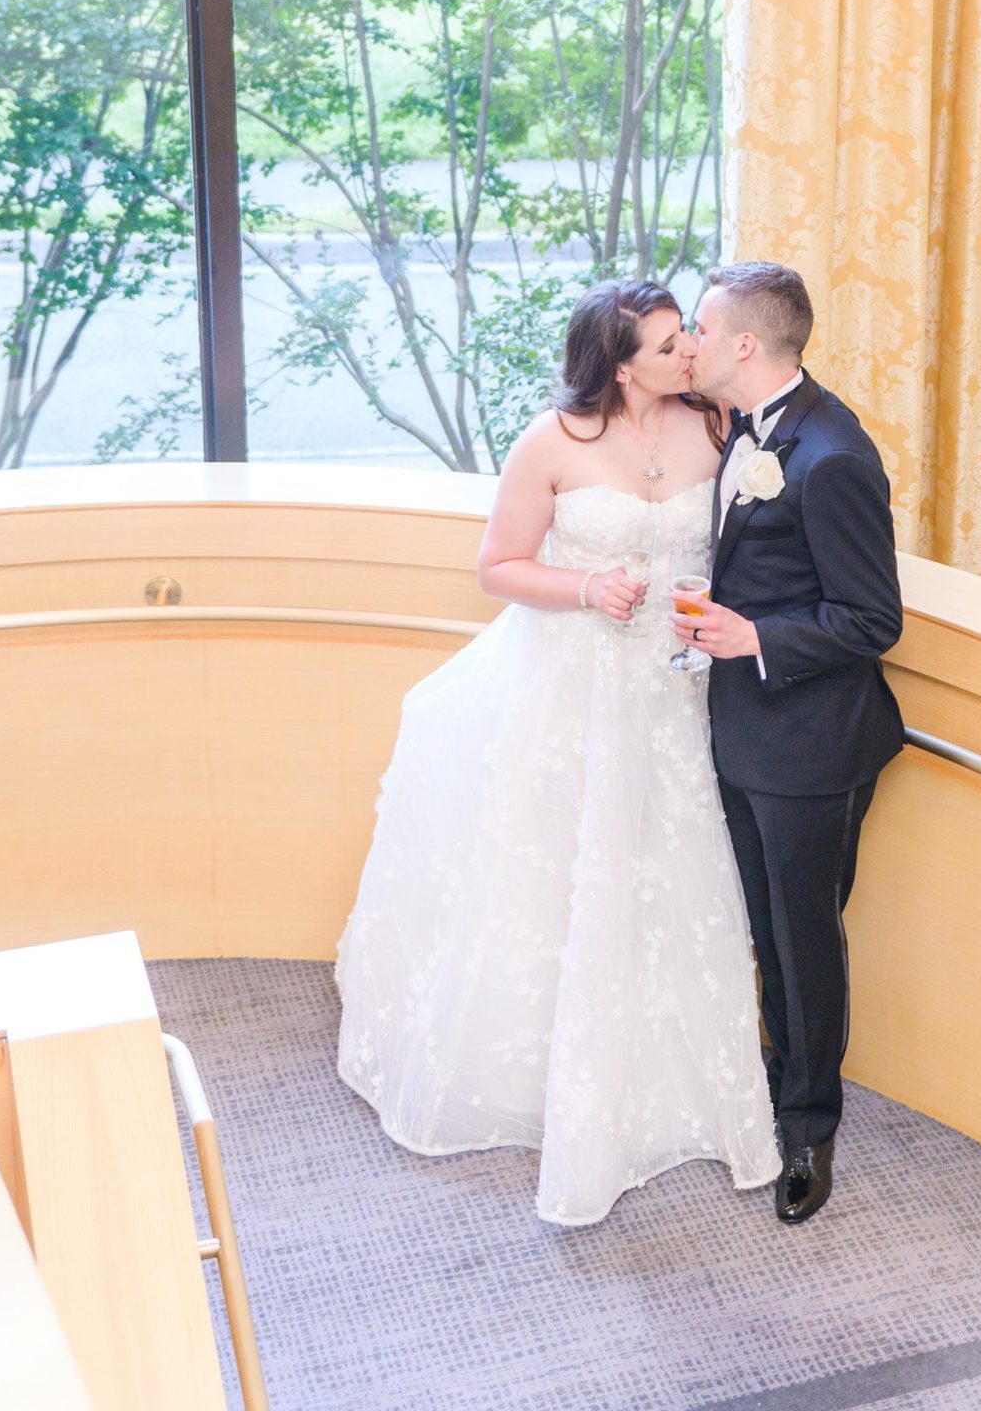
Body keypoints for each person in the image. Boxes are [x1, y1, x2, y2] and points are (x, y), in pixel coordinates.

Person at [334, 278, 781, 1227]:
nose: (687, 354)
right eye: (667, 346)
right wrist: (585, 590)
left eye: (685, 339)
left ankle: (671, 1083)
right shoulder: (552, 442)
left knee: (673, 869)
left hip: (680, 683)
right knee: (559, 871)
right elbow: (498, 565)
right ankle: (550, 1085)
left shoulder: (713, 428)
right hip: (575, 684)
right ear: (619, 365)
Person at [681, 261, 904, 1224]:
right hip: (743, 727)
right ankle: (769, 1091)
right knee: (763, 931)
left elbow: (871, 620)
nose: (687, 343)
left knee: (803, 940)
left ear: (743, 344)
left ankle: (809, 1126)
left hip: (812, 744)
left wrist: (755, 637)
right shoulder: (741, 431)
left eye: (698, 328)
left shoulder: (831, 453)